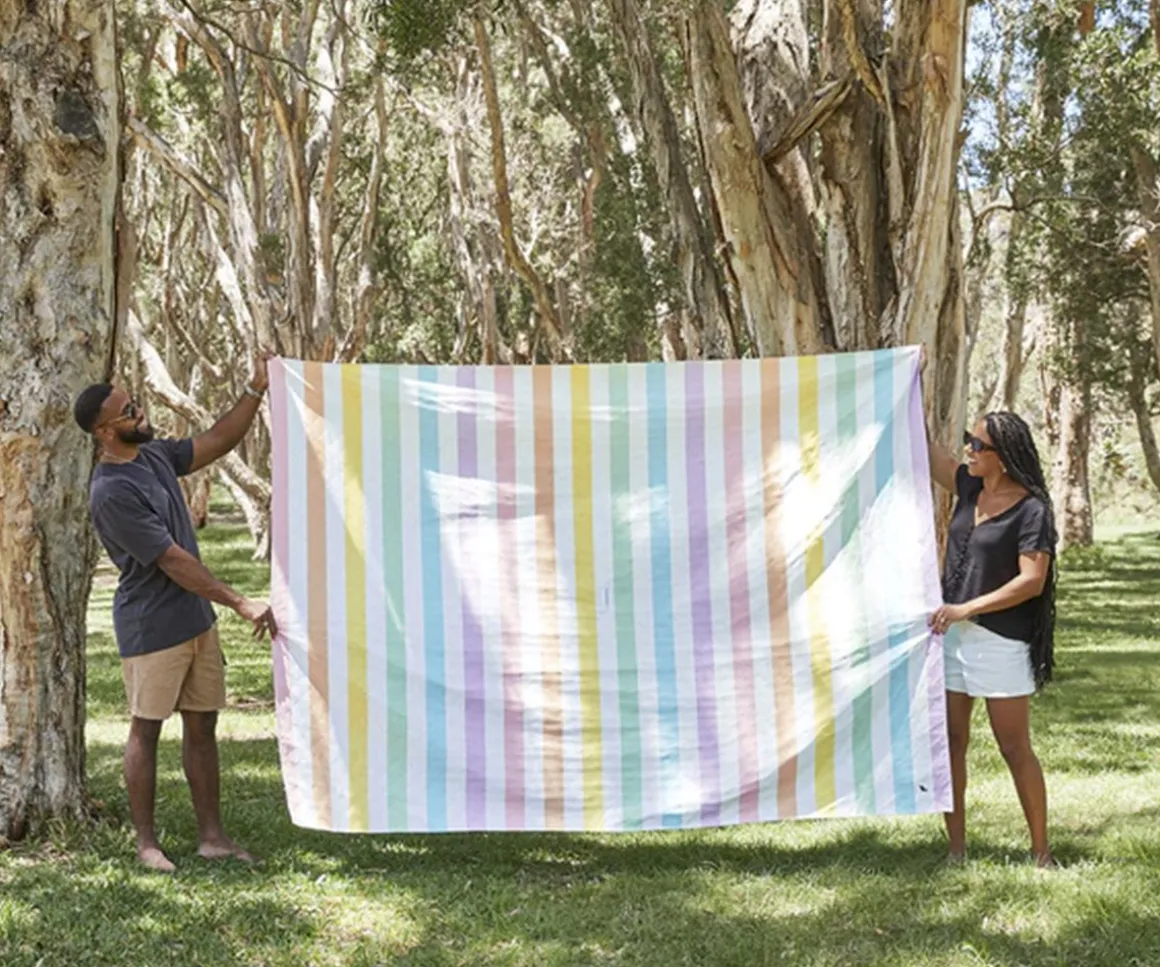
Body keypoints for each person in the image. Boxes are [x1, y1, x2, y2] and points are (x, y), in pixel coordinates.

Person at [74, 355, 277, 872]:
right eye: (128, 412)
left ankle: (212, 837)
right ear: (104, 432)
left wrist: (254, 391)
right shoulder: (111, 491)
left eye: (135, 405)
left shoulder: (156, 457)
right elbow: (171, 560)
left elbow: (215, 442)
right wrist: (239, 601)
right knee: (146, 730)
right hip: (152, 626)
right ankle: (147, 844)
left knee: (202, 726)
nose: (139, 413)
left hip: (194, 621)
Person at [927, 411, 1058, 869]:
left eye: (978, 445)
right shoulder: (969, 487)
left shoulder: (1031, 510)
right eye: (969, 441)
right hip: (952, 638)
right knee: (951, 741)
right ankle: (955, 851)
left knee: (1013, 747)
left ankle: (1042, 854)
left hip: (999, 640)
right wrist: (905, 383)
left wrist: (968, 607)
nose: (969, 451)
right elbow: (933, 457)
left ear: (1002, 457)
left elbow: (1031, 581)